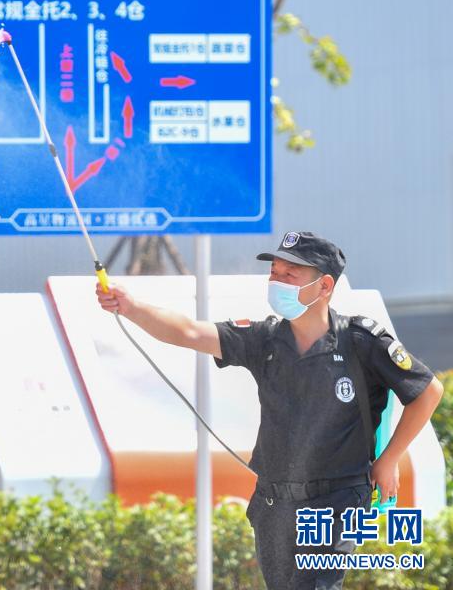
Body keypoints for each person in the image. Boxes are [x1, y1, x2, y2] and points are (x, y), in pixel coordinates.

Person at [95, 231, 443, 589]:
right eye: (274, 272)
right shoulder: (264, 339)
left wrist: (389, 460)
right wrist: (130, 307)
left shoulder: (360, 341)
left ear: (324, 286)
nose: (277, 281)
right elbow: (189, 332)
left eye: (290, 274)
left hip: (337, 500)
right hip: (274, 501)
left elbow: (427, 391)